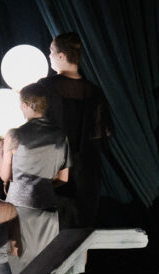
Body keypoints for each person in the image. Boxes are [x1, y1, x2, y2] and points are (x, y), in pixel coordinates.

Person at [0, 82, 71, 274]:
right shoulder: (60, 135)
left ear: (27, 105)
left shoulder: (14, 134)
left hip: (18, 209)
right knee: (46, 266)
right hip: (48, 209)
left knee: (18, 267)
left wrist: (0, 153)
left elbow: (5, 175)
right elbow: (63, 178)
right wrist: (43, 185)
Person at [37, 31, 112, 229]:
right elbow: (101, 134)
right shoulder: (94, 91)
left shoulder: (44, 87)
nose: (49, 56)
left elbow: (36, 128)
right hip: (87, 172)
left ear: (62, 55)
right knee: (82, 229)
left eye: (51, 51)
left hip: (53, 167)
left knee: (53, 230)